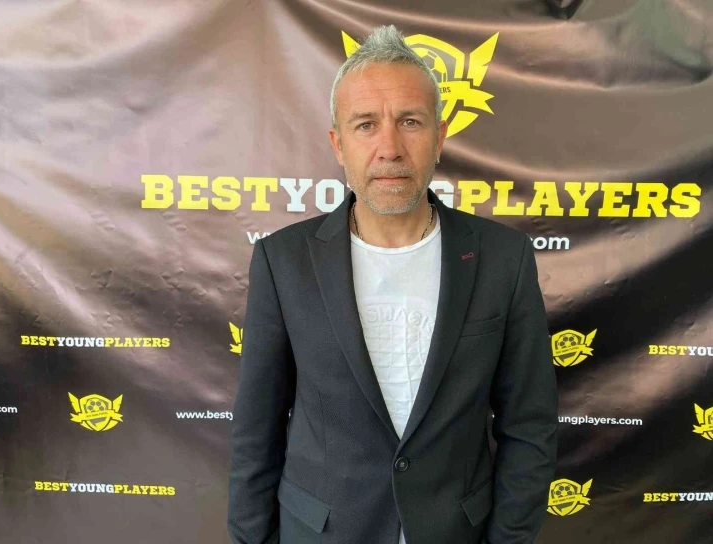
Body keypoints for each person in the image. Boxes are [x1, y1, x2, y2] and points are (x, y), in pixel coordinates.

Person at [228, 25, 557, 544]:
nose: (390, 147)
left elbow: (529, 427)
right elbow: (256, 430)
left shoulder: (503, 259)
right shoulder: (282, 261)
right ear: (338, 144)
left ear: (439, 137)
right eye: (365, 124)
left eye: (410, 121)